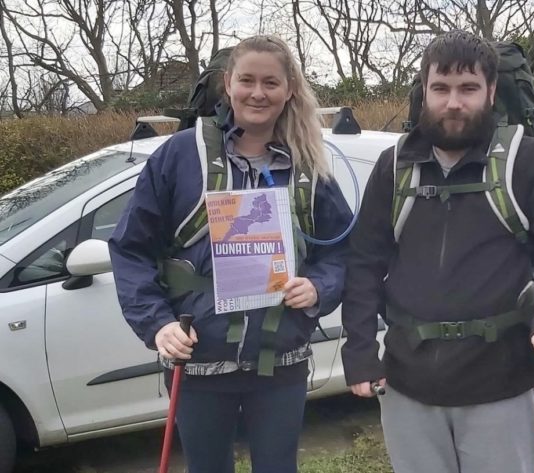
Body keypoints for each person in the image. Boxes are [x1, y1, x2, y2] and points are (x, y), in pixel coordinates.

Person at [341, 30, 534, 473]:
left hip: (502, 385)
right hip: (407, 387)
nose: (453, 102)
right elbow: (363, 264)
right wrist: (360, 351)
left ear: (491, 91)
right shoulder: (394, 167)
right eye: (441, 88)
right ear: (424, 90)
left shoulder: (527, 161)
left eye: (468, 89)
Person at [109, 35, 352, 473]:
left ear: (289, 89)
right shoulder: (181, 155)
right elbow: (131, 249)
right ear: (228, 83)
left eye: (271, 83)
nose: (258, 93)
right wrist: (158, 323)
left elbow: (342, 251)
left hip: (281, 362)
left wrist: (319, 286)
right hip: (199, 362)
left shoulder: (309, 163)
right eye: (247, 80)